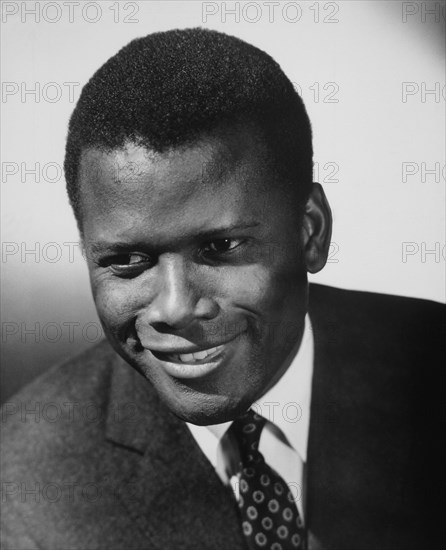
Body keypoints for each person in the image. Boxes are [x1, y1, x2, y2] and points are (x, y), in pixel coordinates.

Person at [1, 28, 444, 550]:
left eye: (222, 247)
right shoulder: (26, 482)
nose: (174, 308)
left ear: (311, 231)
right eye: (125, 261)